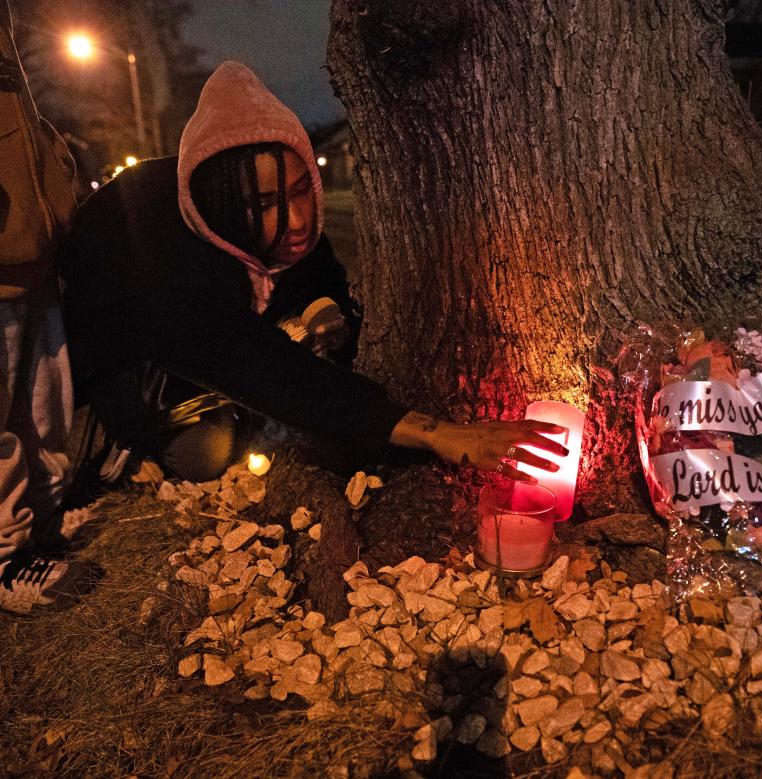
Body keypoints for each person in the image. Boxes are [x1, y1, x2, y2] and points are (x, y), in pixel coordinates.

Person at [58, 61, 566, 491]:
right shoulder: (160, 268)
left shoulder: (268, 215)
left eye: (303, 190)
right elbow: (258, 366)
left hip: (217, 340)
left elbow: (316, 277)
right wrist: (434, 433)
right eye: (265, 204)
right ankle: (125, 440)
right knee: (205, 454)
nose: (297, 221)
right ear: (221, 203)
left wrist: (325, 305)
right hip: (123, 366)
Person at [0, 0, 96, 613]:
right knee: (5, 425)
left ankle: (41, 525)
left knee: (44, 412)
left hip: (33, 266)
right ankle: (6, 563)